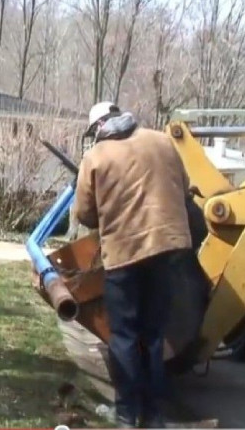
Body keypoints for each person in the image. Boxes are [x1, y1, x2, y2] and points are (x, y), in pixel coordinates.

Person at [73, 101, 193, 429]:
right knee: (153, 335)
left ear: (99, 127)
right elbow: (184, 190)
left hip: (124, 254)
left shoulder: (96, 156)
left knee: (124, 337)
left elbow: (84, 213)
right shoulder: (162, 141)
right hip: (168, 250)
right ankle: (154, 416)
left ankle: (127, 414)